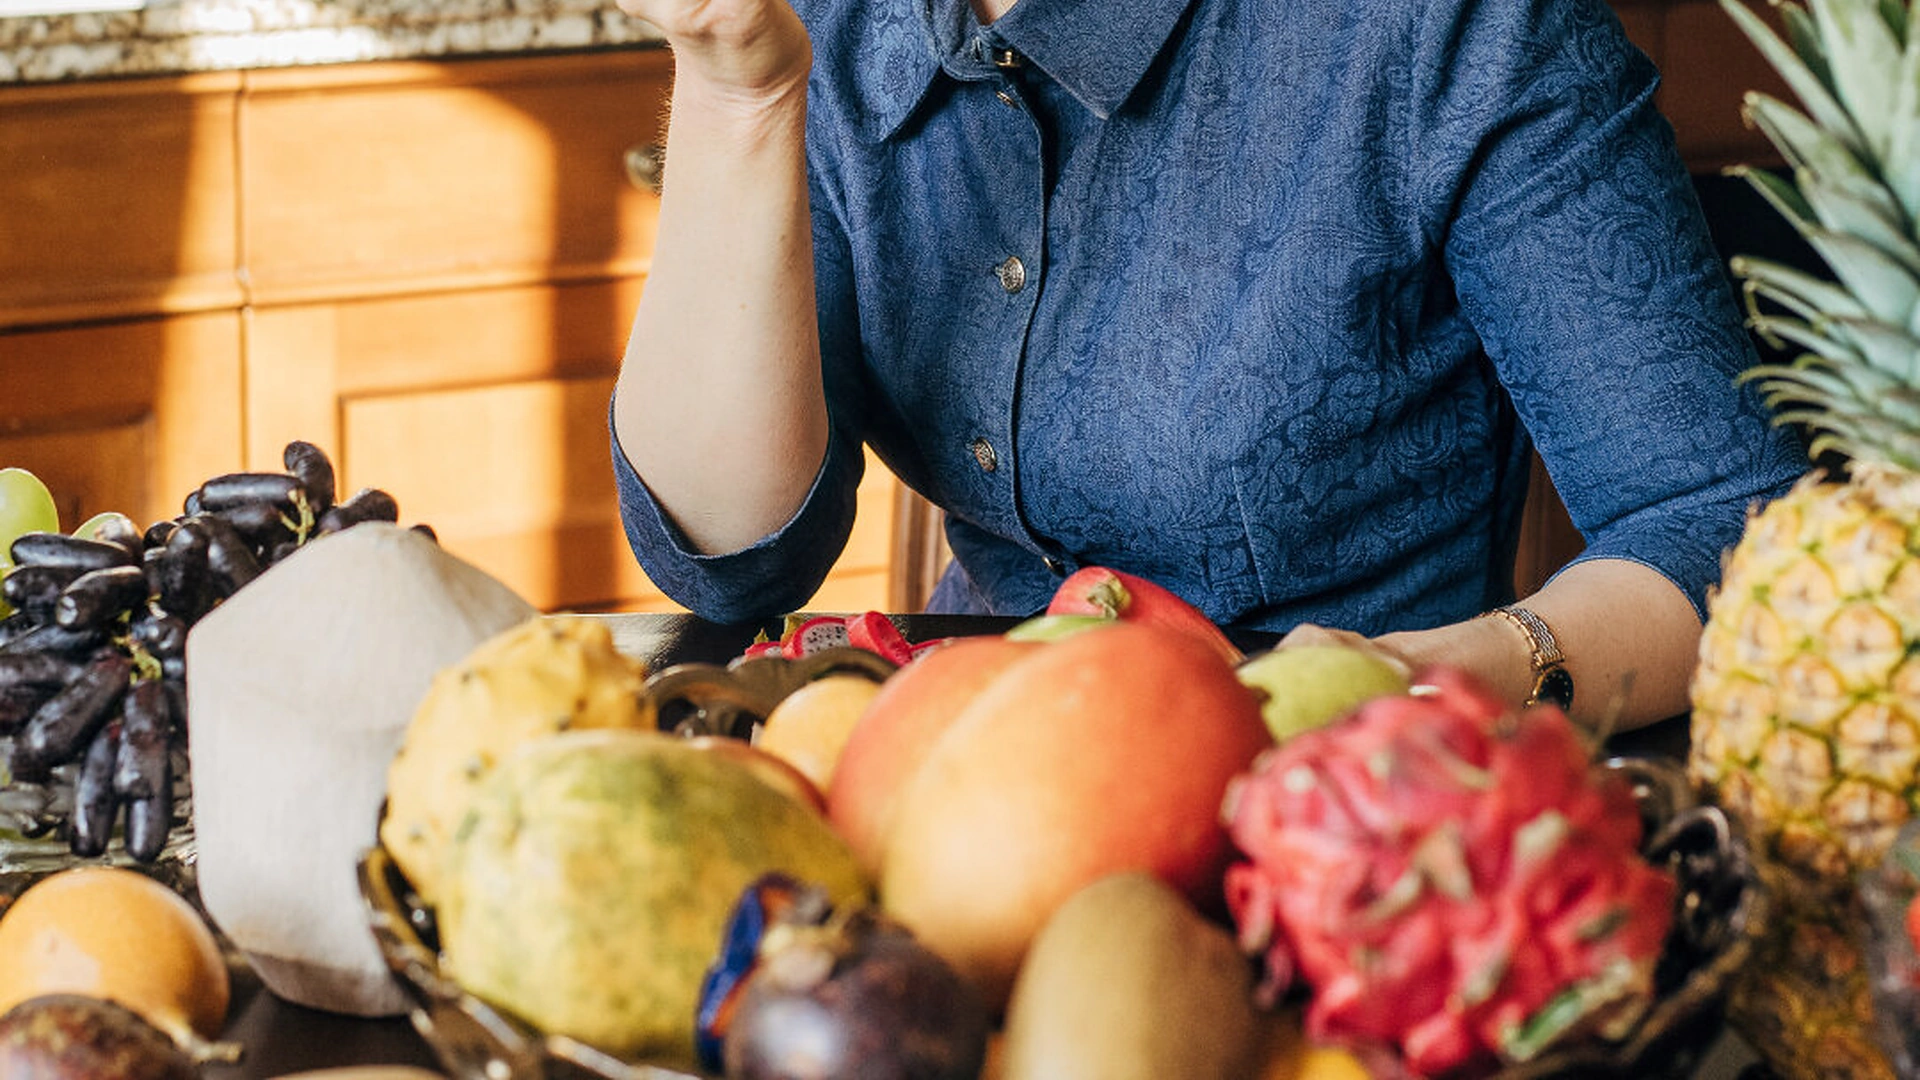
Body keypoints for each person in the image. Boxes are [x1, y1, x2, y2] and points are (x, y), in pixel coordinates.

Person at [607, 0, 1805, 731]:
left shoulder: (1449, 28)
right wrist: (735, 86)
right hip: (967, 768)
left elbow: (1721, 529)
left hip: (1348, 817)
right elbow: (732, 554)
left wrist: (1429, 679)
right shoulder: (834, 18)